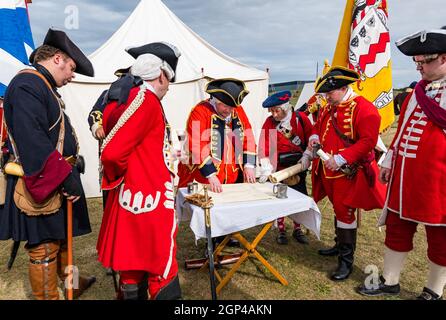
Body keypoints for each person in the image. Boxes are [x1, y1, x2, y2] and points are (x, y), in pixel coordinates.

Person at [0, 28, 95, 300]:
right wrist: (65, 176)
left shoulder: (43, 85)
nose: (72, 75)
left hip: (56, 172)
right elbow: (33, 140)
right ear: (56, 58)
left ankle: (71, 284)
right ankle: (49, 297)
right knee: (43, 248)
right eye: (71, 67)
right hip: (40, 178)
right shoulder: (28, 85)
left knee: (63, 239)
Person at [357, 27, 446, 300]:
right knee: (396, 228)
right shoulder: (417, 92)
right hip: (404, 177)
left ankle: (434, 290)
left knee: (441, 238)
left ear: (444, 57)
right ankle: (390, 280)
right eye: (416, 62)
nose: (419, 67)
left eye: (426, 61)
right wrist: (388, 160)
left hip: (438, 182)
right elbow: (401, 131)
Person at [96, 42, 182, 300]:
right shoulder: (146, 100)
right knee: (162, 266)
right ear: (162, 75)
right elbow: (111, 154)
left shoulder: (125, 97)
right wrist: (129, 178)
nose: (168, 87)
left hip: (133, 196)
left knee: (132, 261)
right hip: (150, 196)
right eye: (169, 81)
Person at [308, 66, 386, 281]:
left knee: (346, 213)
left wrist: (342, 158)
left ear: (343, 88)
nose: (326, 98)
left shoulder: (365, 108)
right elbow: (318, 126)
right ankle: (338, 244)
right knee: (338, 209)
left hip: (348, 172)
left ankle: (346, 261)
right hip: (327, 170)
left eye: (330, 93)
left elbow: (368, 141)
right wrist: (314, 137)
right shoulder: (329, 106)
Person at [177, 78, 257, 191]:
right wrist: (210, 174)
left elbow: (248, 138)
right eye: (225, 106)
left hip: (232, 177)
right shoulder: (200, 111)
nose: (229, 110)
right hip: (204, 179)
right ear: (215, 100)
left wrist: (249, 166)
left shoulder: (237, 110)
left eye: (232, 107)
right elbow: (197, 145)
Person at [258, 90, 313, 245]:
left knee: (299, 197)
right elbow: (264, 146)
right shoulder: (269, 123)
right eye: (272, 111)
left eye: (277, 110)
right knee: (279, 198)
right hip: (279, 168)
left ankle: (297, 228)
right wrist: (266, 166)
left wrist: (307, 155)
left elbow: (312, 138)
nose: (274, 114)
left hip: (298, 165)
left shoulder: (301, 119)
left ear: (286, 108)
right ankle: (281, 229)